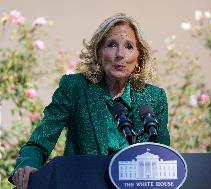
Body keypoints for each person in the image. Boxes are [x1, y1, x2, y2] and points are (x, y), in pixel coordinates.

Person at [10, 13, 170, 189]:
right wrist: (27, 165)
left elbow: (164, 158)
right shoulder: (75, 88)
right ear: (99, 53)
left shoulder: (155, 98)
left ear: (139, 58)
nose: (120, 54)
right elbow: (38, 144)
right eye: (112, 45)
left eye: (129, 46)